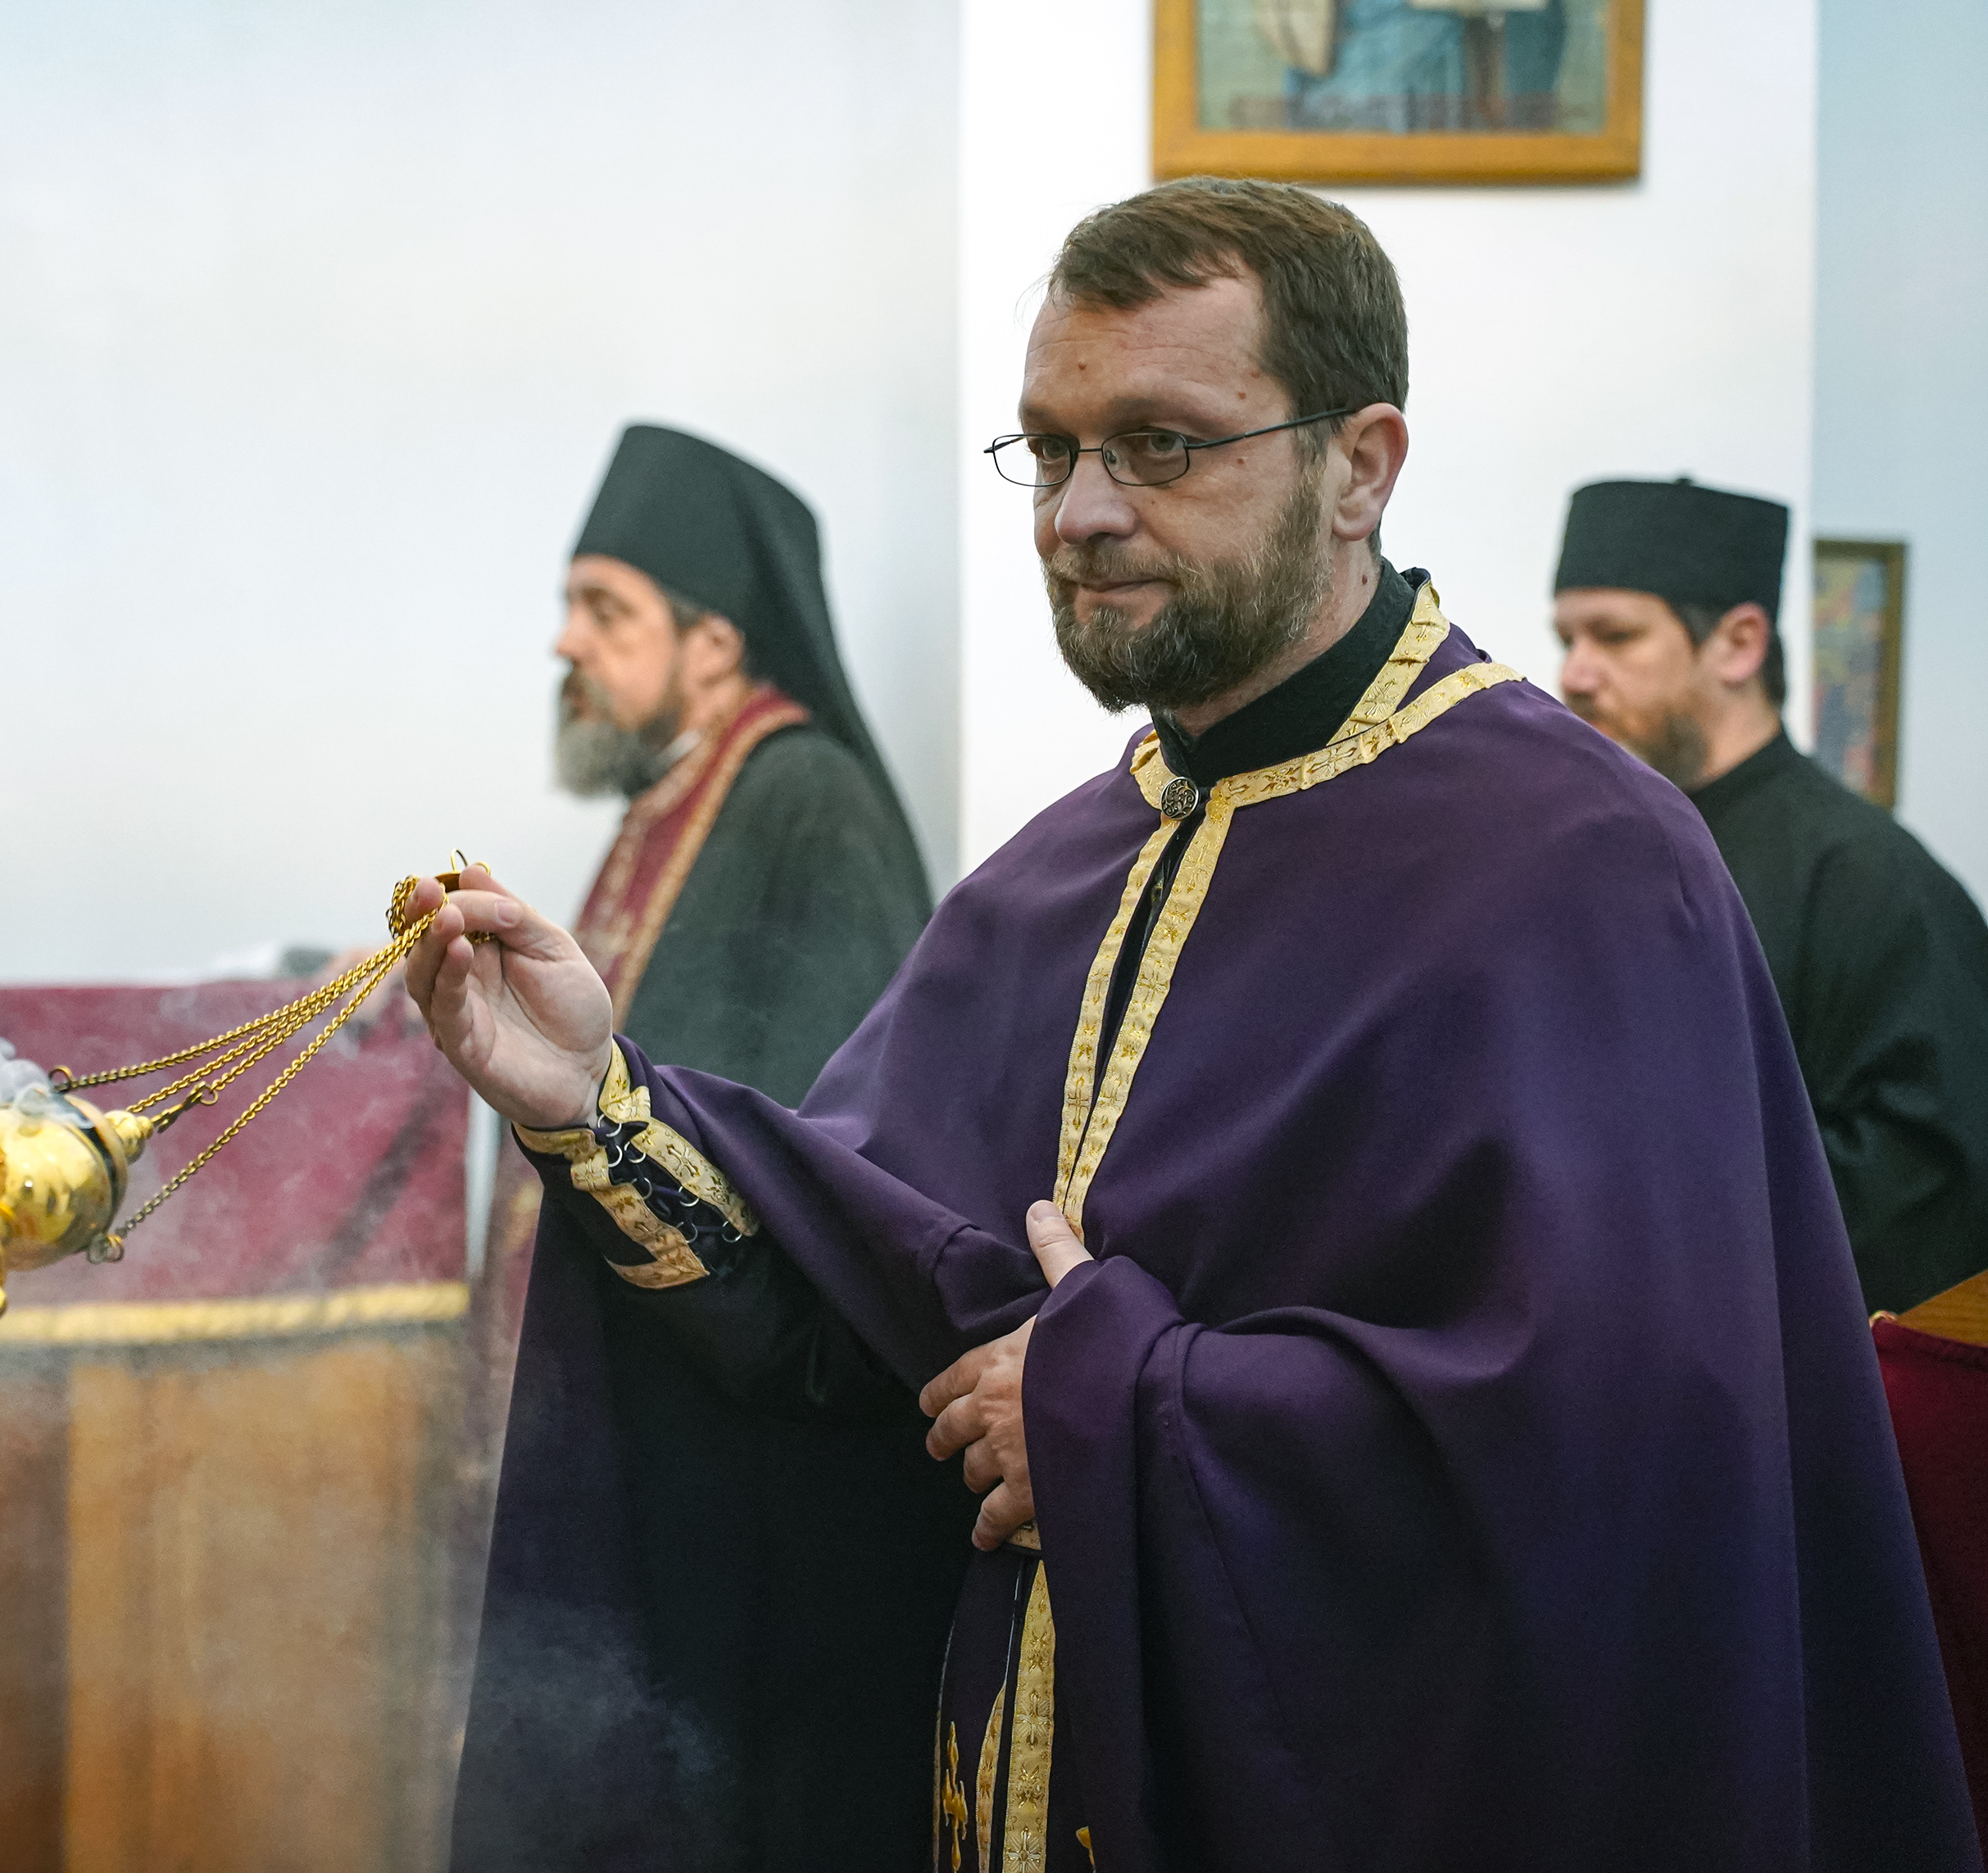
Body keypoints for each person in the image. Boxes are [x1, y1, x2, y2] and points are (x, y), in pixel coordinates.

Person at [413, 179, 1975, 1871]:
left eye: (1160, 444)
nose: (1082, 512)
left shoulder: (1583, 869)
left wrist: (1115, 1414)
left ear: (1359, 468)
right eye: (1049, 448)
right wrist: (590, 1100)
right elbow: (863, 1304)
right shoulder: (1052, 878)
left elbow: (1621, 1474)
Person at [454, 424, 960, 1870]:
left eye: (605, 609)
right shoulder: (666, 800)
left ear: (718, 640)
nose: (565, 640)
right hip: (652, 1411)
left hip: (749, 1454)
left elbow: (824, 1148)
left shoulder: (806, 800)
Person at [1553, 477, 1988, 1315]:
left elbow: (1928, 1187)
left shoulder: (1869, 877)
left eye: (1614, 636)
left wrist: (1650, 1204)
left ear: (1738, 645)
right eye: (1566, 638)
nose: (1574, 673)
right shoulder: (1596, 846)